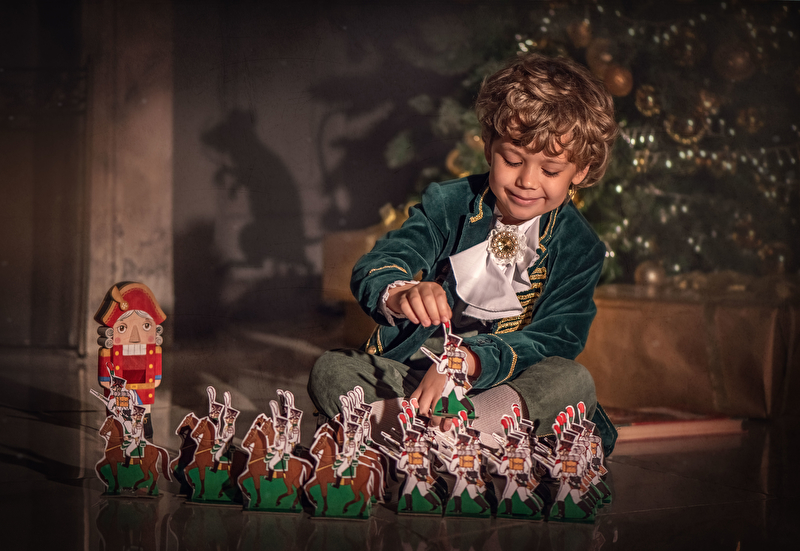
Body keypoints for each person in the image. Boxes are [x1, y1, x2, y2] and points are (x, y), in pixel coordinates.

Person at [308, 52, 619, 455]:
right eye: (513, 160)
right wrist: (402, 292)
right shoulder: (448, 204)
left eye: (550, 170)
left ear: (581, 171)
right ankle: (431, 438)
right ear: (489, 147)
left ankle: (457, 433)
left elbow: (556, 337)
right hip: (415, 381)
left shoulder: (580, 246)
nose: (527, 181)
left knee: (572, 380)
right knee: (331, 369)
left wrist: (467, 362)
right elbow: (381, 262)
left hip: (502, 386)